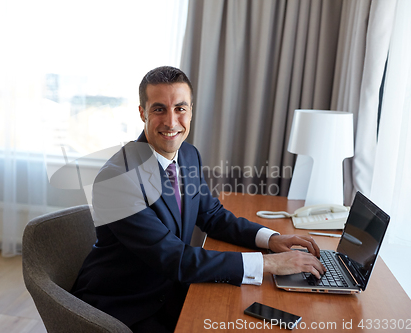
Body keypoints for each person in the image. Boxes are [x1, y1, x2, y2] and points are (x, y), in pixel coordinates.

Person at [71, 66, 325, 332]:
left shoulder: (188, 155)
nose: (171, 122)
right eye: (159, 109)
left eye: (180, 108)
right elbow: (174, 258)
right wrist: (268, 264)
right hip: (126, 305)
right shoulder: (118, 179)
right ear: (142, 113)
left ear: (191, 111)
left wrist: (272, 239)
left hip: (174, 289)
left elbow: (212, 215)